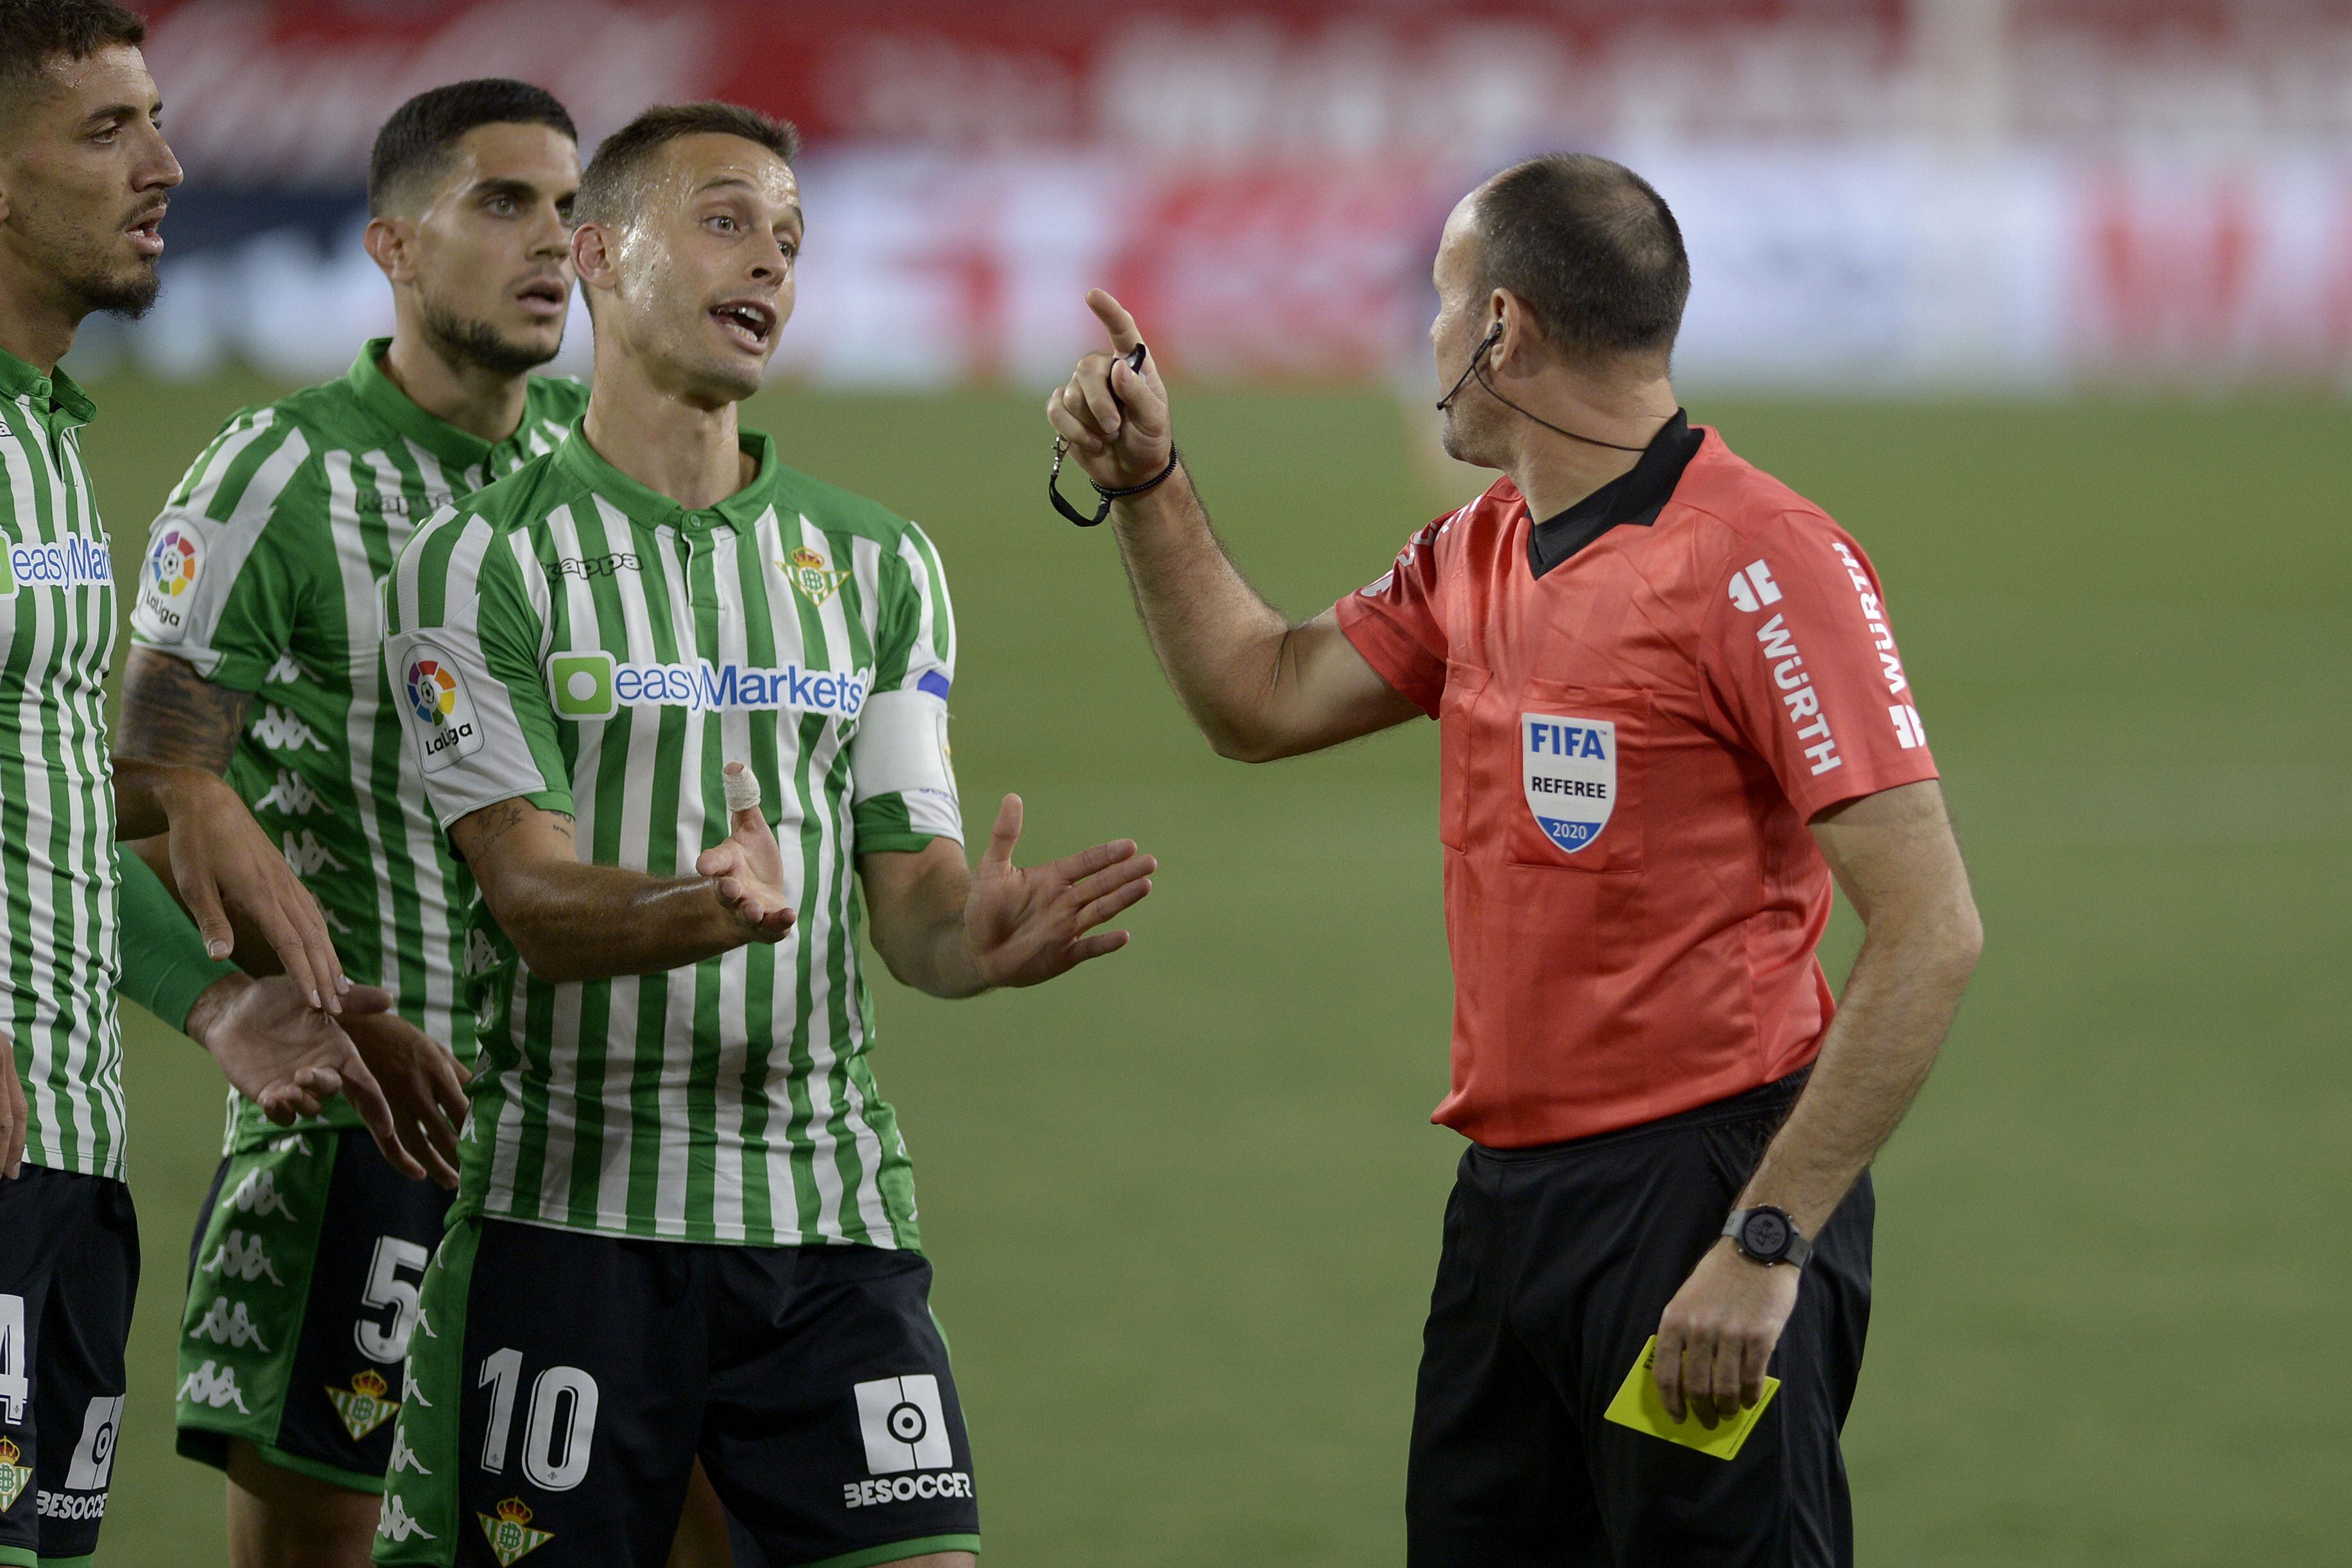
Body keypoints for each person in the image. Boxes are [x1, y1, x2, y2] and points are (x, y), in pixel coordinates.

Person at [1046, 153, 1983, 1566]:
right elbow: (1256, 696)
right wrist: (1148, 482)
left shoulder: (1761, 559)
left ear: (1503, 330)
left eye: (1436, 301)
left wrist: (1764, 1245)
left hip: (1701, 1199)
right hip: (1507, 1210)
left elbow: (1929, 931)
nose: (1419, 339)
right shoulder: (1477, 549)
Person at [371, 101, 1155, 1568]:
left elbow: (911, 897)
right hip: (569, 1227)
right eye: (727, 220)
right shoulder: (480, 560)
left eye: (790, 238)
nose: (771, 265)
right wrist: (699, 905)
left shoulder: (877, 564)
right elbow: (531, 899)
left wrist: (967, 940)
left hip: (823, 1221)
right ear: (598, 256)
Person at [114, 78, 603, 1568]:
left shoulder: (596, 474)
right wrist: (257, 996)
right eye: (502, 203)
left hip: (600, 1148)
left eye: (571, 211)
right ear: (392, 245)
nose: (552, 245)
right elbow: (140, 795)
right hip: (371, 1141)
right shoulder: (284, 475)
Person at [0, 4, 419, 1562]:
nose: (167, 164)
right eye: (106, 131)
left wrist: (215, 996)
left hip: (62, 1150)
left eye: (157, 121)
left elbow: (35, 808)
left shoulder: (39, 444)